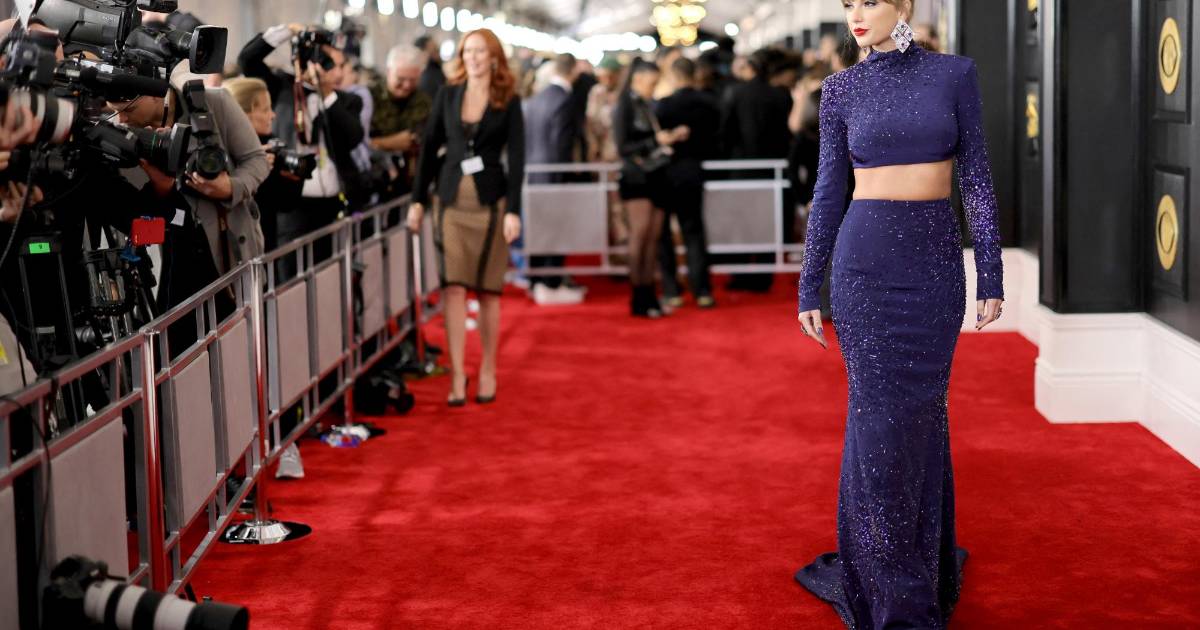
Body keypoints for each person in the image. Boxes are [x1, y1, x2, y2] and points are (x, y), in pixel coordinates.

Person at [793, 1, 1005, 628]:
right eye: (848, 4)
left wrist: (990, 272)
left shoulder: (954, 74)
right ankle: (892, 591)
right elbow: (828, 190)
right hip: (864, 266)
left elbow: (977, 178)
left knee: (922, 415)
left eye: (870, 1)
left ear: (904, 5)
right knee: (878, 421)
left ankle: (921, 561)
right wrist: (809, 284)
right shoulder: (840, 89)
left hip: (933, 264)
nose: (857, 15)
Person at [408, 28, 524, 406]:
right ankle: (458, 373)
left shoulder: (509, 99)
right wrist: (417, 200)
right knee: (453, 289)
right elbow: (429, 148)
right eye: (467, 51)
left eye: (479, 51)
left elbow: (518, 158)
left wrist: (514, 210)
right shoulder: (448, 94)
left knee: (489, 292)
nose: (472, 57)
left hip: (491, 205)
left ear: (494, 57)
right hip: (450, 202)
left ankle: (488, 368)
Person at [238, 23, 366, 264]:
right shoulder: (280, 87)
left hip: (335, 202)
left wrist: (327, 94)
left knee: (333, 272)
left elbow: (353, 138)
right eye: (331, 64)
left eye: (340, 66)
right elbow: (247, 59)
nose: (338, 73)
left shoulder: (347, 101)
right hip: (293, 202)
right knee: (292, 272)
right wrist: (288, 31)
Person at [611, 58, 688, 318]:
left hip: (657, 175)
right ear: (638, 78)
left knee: (653, 238)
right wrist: (656, 140)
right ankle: (639, 296)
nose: (653, 88)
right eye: (651, 83)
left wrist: (666, 139)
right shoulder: (624, 105)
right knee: (640, 235)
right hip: (637, 178)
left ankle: (649, 295)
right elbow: (623, 147)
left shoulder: (646, 104)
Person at [655, 57, 719, 309]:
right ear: (694, 75)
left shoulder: (663, 105)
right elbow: (717, 138)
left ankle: (671, 290)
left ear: (673, 75)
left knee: (664, 235)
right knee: (694, 231)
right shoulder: (709, 103)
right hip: (694, 171)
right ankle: (702, 290)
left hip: (666, 173)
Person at [522, 53, 585, 304]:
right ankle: (551, 284)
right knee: (556, 230)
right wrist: (565, 176)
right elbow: (562, 144)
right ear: (573, 71)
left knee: (539, 229)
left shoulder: (537, 98)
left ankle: (536, 281)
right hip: (555, 175)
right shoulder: (564, 100)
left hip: (534, 173)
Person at [369, 45, 433, 199]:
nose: (407, 85)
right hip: (375, 183)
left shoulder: (424, 102)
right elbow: (359, 144)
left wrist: (379, 142)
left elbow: (419, 139)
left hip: (411, 183)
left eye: (413, 80)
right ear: (389, 71)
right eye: (401, 79)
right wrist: (392, 142)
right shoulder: (368, 98)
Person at [415, 34, 447, 100]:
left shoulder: (440, 69)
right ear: (422, 52)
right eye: (434, 49)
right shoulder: (423, 75)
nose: (438, 49)